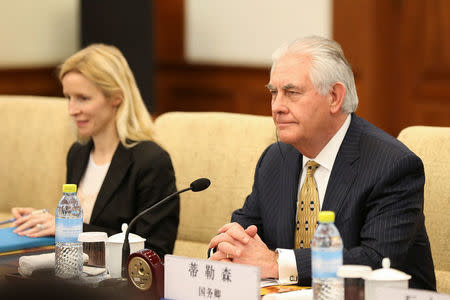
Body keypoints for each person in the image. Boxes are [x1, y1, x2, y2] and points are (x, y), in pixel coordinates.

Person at [208, 36, 436, 290]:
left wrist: (277, 262)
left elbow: (375, 260)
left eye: (291, 93)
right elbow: (242, 232)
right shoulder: (276, 159)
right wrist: (227, 251)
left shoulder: (392, 165)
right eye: (273, 93)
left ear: (334, 97)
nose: (277, 107)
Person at [11, 44, 179, 259]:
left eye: (83, 98)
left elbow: (155, 251)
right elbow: (84, 226)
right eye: (68, 98)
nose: (72, 110)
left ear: (116, 97)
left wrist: (69, 228)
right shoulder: (78, 153)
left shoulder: (151, 160)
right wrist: (42, 221)